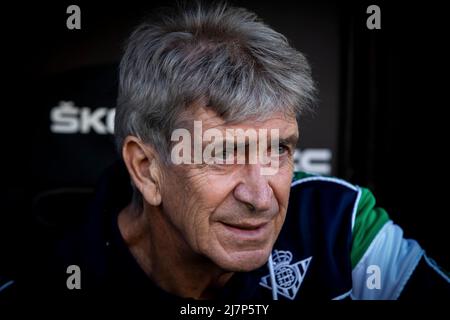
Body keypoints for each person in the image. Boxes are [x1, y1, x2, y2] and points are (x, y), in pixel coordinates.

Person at [2, 2, 448, 302]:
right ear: (147, 168)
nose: (261, 197)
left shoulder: (341, 226)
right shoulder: (52, 278)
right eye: (222, 154)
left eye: (278, 150)